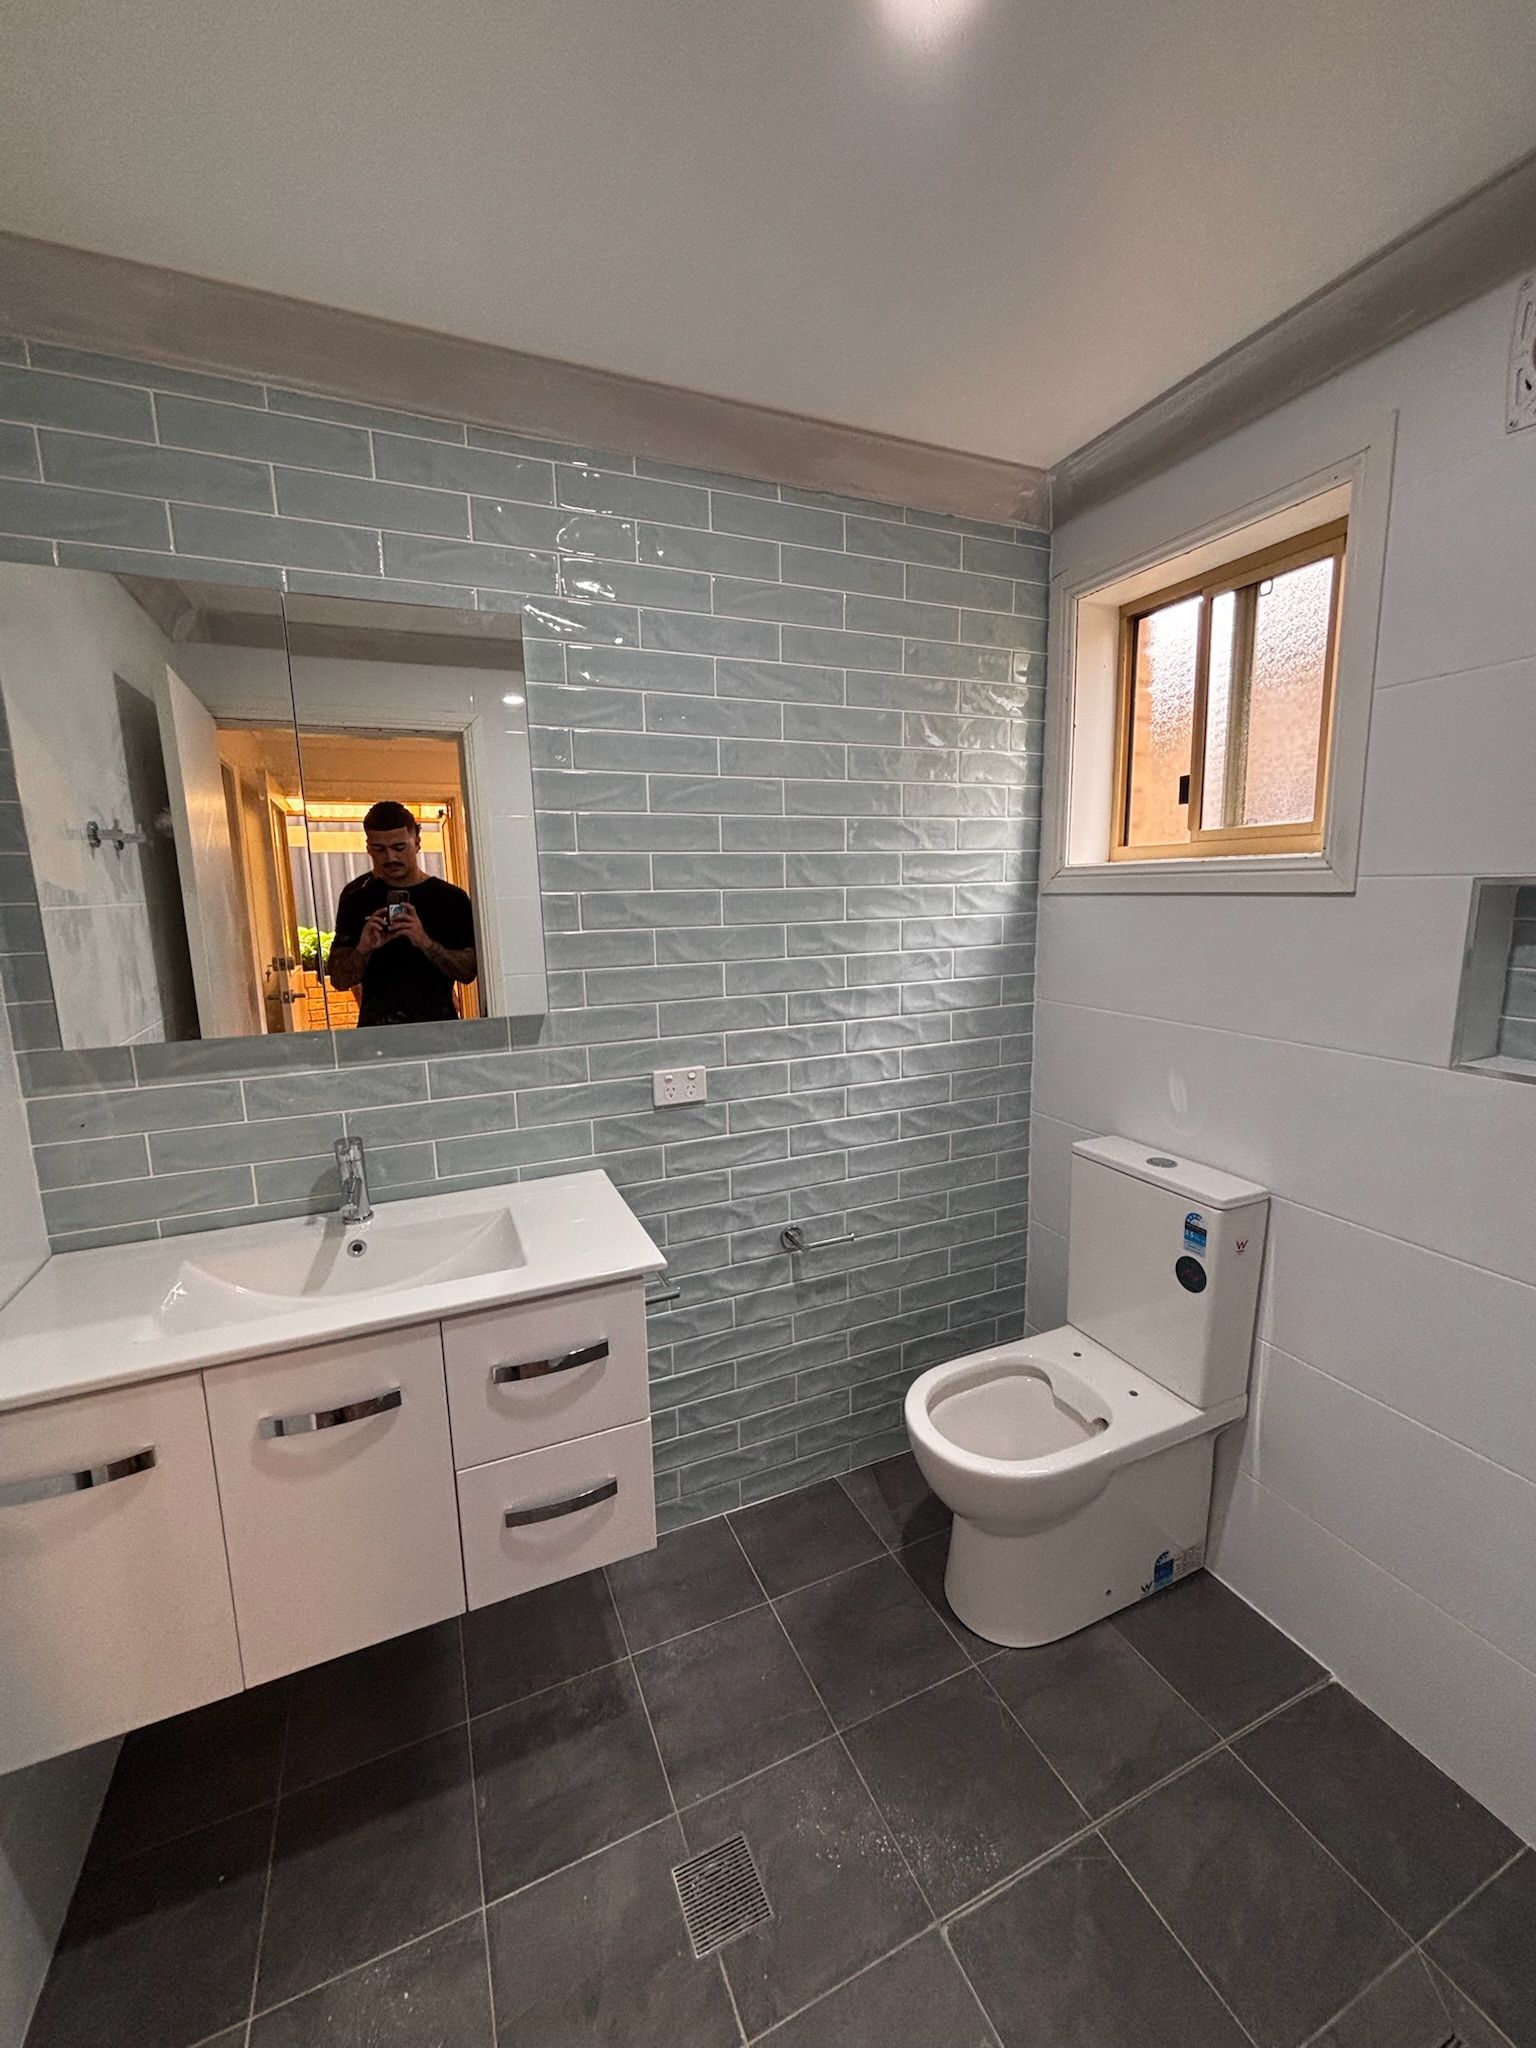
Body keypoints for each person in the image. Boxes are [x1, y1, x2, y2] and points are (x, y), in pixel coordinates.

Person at [327, 801, 477, 1026]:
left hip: (438, 1027)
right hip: (377, 1031)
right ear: (368, 848)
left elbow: (468, 972)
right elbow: (339, 980)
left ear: (417, 843)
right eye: (379, 849)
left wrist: (425, 942)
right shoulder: (356, 900)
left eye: (399, 847)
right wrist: (363, 948)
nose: (390, 858)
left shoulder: (450, 899)